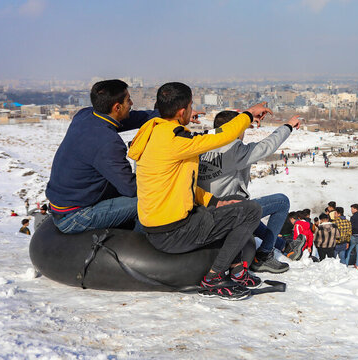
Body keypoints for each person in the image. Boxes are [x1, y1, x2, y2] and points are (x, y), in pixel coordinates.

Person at [127, 82, 270, 300]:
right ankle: (214, 278)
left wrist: (215, 202)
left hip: (160, 223)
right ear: (182, 111)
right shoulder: (176, 141)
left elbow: (183, 184)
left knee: (230, 201)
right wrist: (248, 114)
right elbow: (223, 135)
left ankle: (235, 267)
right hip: (173, 232)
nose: (193, 111)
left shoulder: (154, 131)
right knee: (251, 211)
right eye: (191, 106)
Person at [46, 80, 161, 233]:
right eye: (128, 100)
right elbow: (131, 189)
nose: (131, 103)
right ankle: (140, 246)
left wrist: (165, 115)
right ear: (117, 107)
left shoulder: (85, 115)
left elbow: (129, 119)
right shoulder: (108, 142)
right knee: (150, 199)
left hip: (63, 203)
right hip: (75, 216)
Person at [197, 110, 302, 274]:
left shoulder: (202, 143)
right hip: (224, 212)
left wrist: (245, 118)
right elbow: (267, 146)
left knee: (247, 207)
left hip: (203, 208)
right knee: (281, 201)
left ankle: (285, 246)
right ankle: (264, 256)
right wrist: (287, 126)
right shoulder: (234, 150)